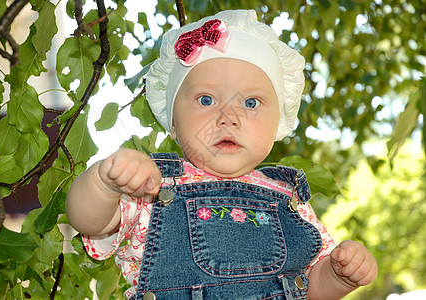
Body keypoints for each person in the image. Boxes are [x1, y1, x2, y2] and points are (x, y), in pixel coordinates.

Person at [66, 9, 377, 300]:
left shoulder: (289, 198)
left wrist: (339, 277)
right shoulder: (153, 185)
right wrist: (103, 184)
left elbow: (311, 285)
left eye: (251, 103)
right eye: (206, 100)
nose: (229, 116)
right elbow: (90, 221)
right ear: (173, 123)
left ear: (278, 124)